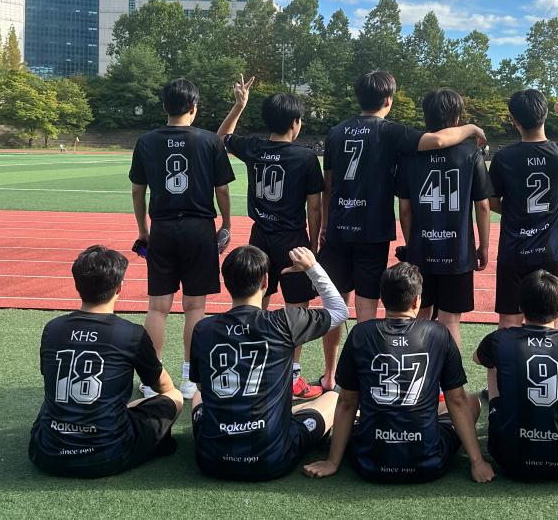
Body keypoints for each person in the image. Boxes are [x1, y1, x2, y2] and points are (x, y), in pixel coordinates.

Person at [318, 70, 486, 391]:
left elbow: (329, 183)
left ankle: (330, 375)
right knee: (366, 311)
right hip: (371, 230)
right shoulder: (390, 131)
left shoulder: (336, 132)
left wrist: (325, 223)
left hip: (338, 228)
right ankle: (365, 381)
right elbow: (439, 140)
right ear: (388, 100)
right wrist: (472, 128)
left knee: (335, 307)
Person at [303, 262, 495, 484]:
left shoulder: (361, 333)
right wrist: (477, 462)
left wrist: (332, 461)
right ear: (416, 301)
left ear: (382, 298)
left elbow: (347, 402)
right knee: (470, 401)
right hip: (428, 464)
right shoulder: (438, 333)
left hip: (370, 463)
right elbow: (457, 401)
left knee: (337, 401)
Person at [190, 245, 348, 481]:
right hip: (271, 460)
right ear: (265, 281)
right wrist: (312, 268)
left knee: (198, 395)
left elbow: (203, 388)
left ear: (226, 282)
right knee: (333, 398)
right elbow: (340, 311)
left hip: (212, 459)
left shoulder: (204, 328)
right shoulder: (283, 322)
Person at [28, 245, 183, 477]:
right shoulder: (130, 333)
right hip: (107, 455)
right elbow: (164, 387)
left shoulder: (53, 328)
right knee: (175, 397)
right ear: (119, 287)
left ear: (77, 286)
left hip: (47, 453)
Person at [217, 77, 327, 399]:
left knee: (256, 299)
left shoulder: (254, 147)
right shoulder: (305, 157)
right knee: (297, 308)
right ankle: (292, 375)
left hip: (260, 235)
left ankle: (253, 362)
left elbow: (221, 138)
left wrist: (239, 105)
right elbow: (314, 207)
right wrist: (314, 245)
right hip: (292, 240)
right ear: (296, 122)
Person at [129, 78, 235, 399]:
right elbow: (222, 189)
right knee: (195, 307)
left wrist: (143, 230)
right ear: (193, 106)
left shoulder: (146, 141)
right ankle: (191, 379)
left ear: (165, 106)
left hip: (162, 228)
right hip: (199, 228)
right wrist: (226, 223)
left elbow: (137, 191)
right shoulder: (209, 141)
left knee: (158, 307)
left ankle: (153, 380)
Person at [473, 270, 558, 480]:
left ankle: (499, 407)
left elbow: (478, 358)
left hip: (509, 459)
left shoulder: (500, 339)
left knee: (493, 364)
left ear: (520, 307)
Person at [397, 88, 493, 347]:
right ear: (457, 118)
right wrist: (483, 246)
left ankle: (419, 370)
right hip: (458, 251)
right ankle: (450, 375)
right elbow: (483, 206)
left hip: (422, 249)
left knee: (419, 316)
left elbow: (404, 209)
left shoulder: (410, 154)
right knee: (450, 322)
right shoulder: (471, 153)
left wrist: (412, 243)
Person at [488, 89, 558, 328]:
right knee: (550, 317)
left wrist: (515, 212)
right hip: (550, 248)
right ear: (545, 114)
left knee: (509, 318)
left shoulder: (504, 157)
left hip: (514, 247)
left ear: (514, 120)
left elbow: (492, 201)